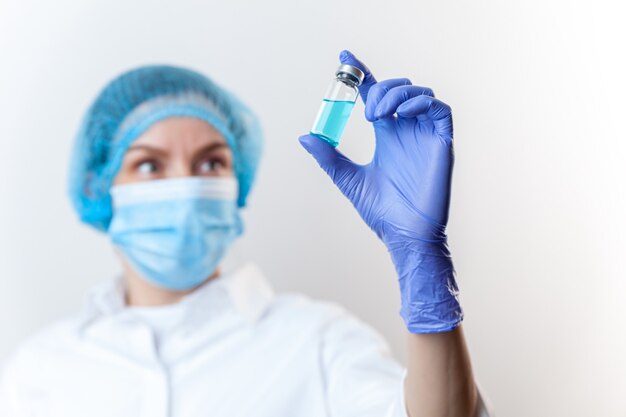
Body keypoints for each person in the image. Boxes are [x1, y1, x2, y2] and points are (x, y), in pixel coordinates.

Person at [0, 50, 493, 417]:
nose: (188, 186)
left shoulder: (315, 339)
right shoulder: (39, 370)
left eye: (211, 162)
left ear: (239, 183)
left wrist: (419, 259)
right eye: (149, 164)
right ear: (98, 185)